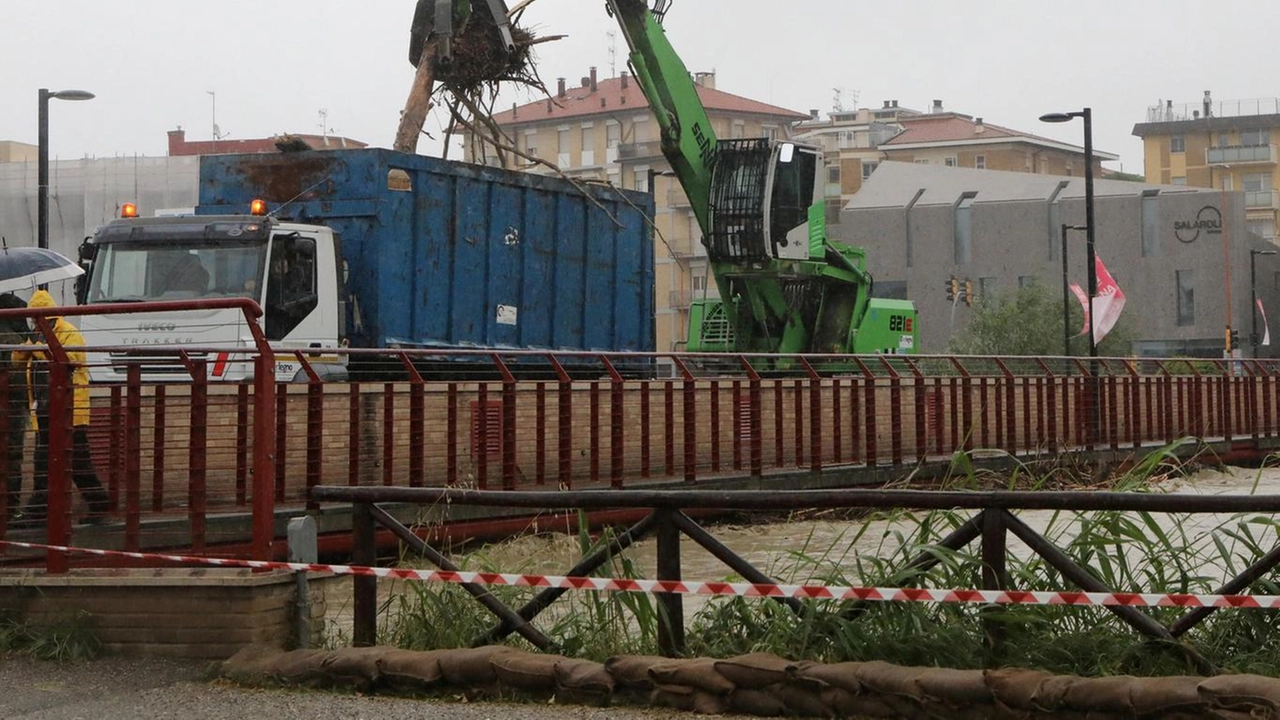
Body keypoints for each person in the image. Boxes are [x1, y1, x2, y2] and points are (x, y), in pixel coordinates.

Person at [15, 290, 109, 527]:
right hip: (45, 410)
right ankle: (39, 513)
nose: (34, 323)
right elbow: (18, 360)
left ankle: (100, 505)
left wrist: (36, 347)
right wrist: (26, 345)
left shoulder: (69, 332)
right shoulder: (37, 335)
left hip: (70, 411)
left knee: (78, 463)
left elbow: (67, 360)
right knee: (43, 462)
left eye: (37, 318)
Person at [0, 293, 29, 522]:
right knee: (12, 456)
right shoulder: (17, 337)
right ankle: (10, 508)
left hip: (10, 402)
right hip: (15, 404)